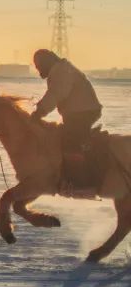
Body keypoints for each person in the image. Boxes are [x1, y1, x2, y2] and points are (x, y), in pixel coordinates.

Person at [30, 48, 103, 193]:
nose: (39, 72)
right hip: (78, 112)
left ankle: (81, 183)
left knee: (70, 144)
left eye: (39, 67)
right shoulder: (60, 69)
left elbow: (57, 93)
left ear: (47, 62)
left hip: (82, 112)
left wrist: (40, 111)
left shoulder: (61, 71)